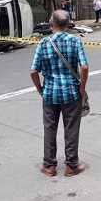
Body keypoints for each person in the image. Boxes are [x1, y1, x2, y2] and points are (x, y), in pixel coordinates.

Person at [30, 10, 89, 177]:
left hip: (49, 94)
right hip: (71, 93)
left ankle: (49, 165)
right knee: (71, 129)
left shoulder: (43, 43)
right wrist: (82, 88)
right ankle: (71, 165)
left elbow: (34, 71)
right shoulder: (75, 41)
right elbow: (84, 67)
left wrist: (40, 89)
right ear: (68, 24)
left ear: (51, 23)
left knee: (50, 128)